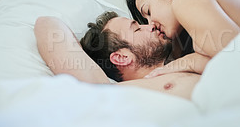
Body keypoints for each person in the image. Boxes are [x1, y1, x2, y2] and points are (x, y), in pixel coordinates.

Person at [34, 12, 203, 100]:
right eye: (137, 29)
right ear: (121, 58)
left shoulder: (190, 59)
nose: (150, 26)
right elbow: (46, 24)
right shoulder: (106, 92)